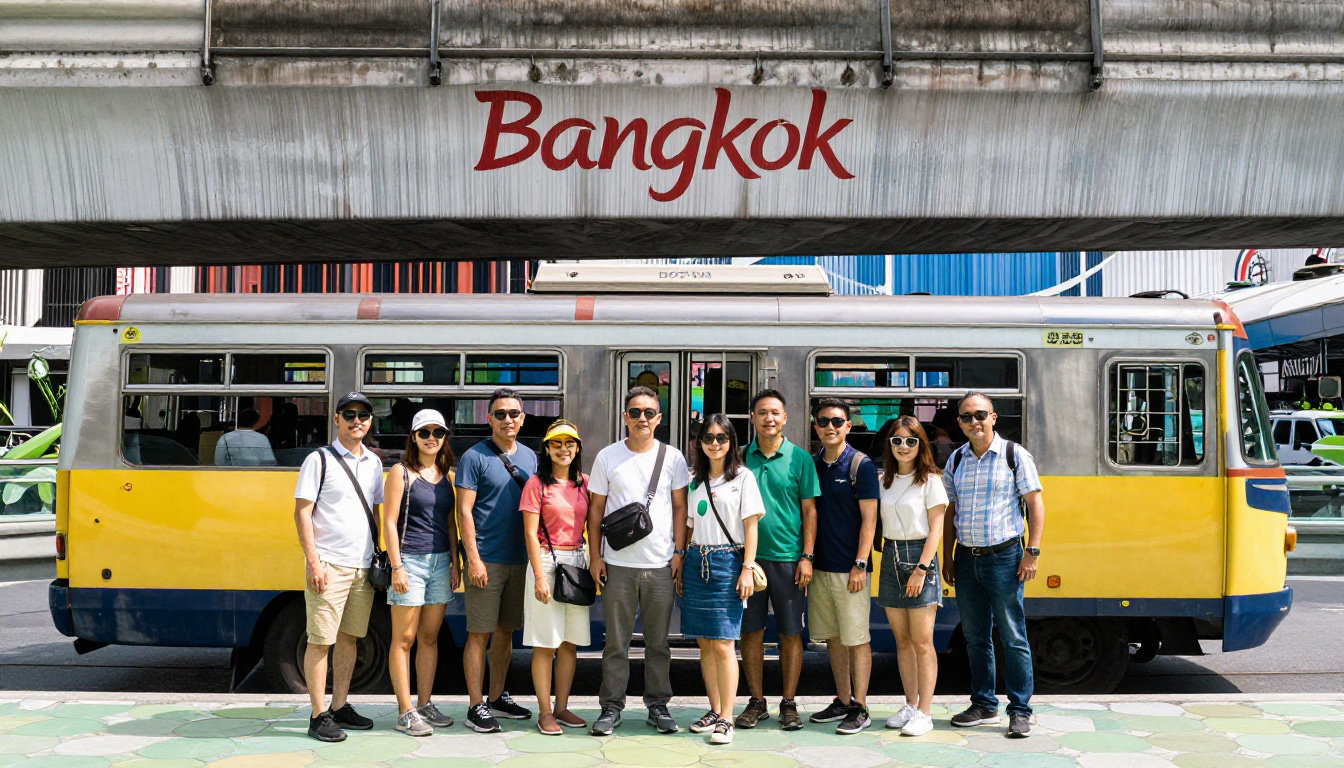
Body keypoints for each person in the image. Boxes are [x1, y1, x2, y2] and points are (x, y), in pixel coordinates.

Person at [587, 386, 690, 737]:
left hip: (660, 565)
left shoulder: (673, 458)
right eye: (635, 412)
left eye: (648, 412)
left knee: (658, 643)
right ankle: (611, 707)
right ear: (624, 417)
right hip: (616, 565)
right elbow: (596, 510)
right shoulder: (607, 457)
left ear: (659, 418)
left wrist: (678, 552)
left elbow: (680, 507)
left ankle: (657, 705)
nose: (642, 418)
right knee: (615, 642)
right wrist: (595, 555)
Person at [941, 391, 1044, 738]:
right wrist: (949, 555)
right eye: (967, 417)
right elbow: (950, 512)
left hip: (1005, 557)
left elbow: (1035, 504)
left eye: (980, 415)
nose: (975, 422)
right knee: (975, 637)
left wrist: (1032, 551)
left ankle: (1020, 710)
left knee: (1014, 636)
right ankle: (984, 704)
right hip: (967, 559)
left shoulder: (1015, 455)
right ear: (959, 423)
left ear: (993, 417)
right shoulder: (956, 460)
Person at [292, 392, 382, 742]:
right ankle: (318, 715)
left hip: (361, 566)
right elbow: (302, 512)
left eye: (363, 415)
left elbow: (377, 511)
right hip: (328, 565)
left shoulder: (374, 463)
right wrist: (313, 561)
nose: (356, 421)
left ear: (370, 422)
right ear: (336, 419)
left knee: (350, 639)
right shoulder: (319, 460)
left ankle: (341, 705)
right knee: (321, 640)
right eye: (349, 414)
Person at [736, 389, 820, 732]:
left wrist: (807, 557)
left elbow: (810, 512)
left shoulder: (801, 458)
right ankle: (757, 701)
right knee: (750, 633)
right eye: (762, 413)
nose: (769, 418)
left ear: (785, 418)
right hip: (749, 562)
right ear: (753, 418)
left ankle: (789, 703)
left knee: (790, 633)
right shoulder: (740, 456)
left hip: (789, 560)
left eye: (775, 413)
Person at [456, 387, 538, 732]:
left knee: (506, 633)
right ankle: (476, 705)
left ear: (522, 418)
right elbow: (464, 511)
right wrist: (473, 559)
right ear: (489, 418)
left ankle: (497, 696)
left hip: (520, 560)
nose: (508, 419)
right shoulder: (474, 457)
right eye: (500, 414)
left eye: (514, 414)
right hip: (486, 559)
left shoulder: (532, 457)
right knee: (479, 634)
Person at [683, 415, 764, 745]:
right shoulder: (694, 480)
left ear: (731, 442)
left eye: (721, 438)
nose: (714, 443)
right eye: (708, 438)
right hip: (696, 560)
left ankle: (727, 717)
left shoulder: (743, 477)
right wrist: (681, 559)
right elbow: (690, 525)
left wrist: (747, 568)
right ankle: (714, 710)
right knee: (704, 642)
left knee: (724, 643)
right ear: (699, 442)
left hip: (728, 562)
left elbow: (751, 527)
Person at [383, 409, 459, 736]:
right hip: (410, 561)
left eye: (437, 433)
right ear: (413, 437)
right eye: (424, 433)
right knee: (404, 639)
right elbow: (388, 521)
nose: (431, 438)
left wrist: (456, 563)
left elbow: (449, 522)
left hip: (441, 561)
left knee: (429, 637)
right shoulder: (400, 472)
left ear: (444, 438)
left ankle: (425, 704)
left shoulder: (445, 473)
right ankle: (405, 711)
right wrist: (396, 566)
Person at [808, 398, 879, 735]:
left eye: (837, 422)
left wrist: (860, 564)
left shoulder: (860, 465)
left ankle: (861, 706)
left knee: (857, 640)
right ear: (815, 426)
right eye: (823, 421)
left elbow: (870, 520)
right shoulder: (814, 464)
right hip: (820, 568)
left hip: (851, 570)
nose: (830, 427)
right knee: (834, 639)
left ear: (848, 427)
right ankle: (843, 699)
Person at [875, 416, 947, 737]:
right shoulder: (884, 481)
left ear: (921, 444)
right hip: (891, 556)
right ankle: (909, 704)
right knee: (902, 641)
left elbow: (936, 530)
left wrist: (921, 568)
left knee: (922, 642)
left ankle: (925, 712)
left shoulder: (930, 480)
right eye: (897, 441)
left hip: (920, 557)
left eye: (911, 440)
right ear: (889, 445)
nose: (904, 446)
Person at [521, 419, 592, 736]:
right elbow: (529, 534)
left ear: (577, 448)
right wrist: (538, 576)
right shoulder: (536, 484)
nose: (564, 449)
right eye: (557, 443)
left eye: (570, 443)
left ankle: (562, 707)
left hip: (577, 561)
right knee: (545, 644)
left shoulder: (585, 483)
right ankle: (545, 711)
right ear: (547, 449)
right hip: (547, 563)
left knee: (569, 643)